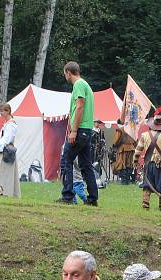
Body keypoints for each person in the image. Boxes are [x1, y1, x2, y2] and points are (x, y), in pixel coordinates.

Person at [57, 62, 98, 206]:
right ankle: (92, 199)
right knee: (86, 165)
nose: (65, 76)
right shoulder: (86, 84)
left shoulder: (79, 85)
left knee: (66, 160)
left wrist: (74, 130)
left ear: (68, 72)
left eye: (65, 73)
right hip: (87, 130)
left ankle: (67, 195)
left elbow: (80, 106)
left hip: (80, 130)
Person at [0, 103, 20, 198]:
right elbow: (1, 137)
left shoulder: (11, 124)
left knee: (6, 173)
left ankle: (6, 192)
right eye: (0, 111)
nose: (1, 113)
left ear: (8, 111)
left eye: (2, 111)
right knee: (1, 172)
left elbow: (7, 139)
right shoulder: (7, 123)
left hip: (7, 151)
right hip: (4, 150)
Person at [112, 119, 136, 184]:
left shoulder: (120, 129)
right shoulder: (131, 129)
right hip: (131, 148)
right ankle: (127, 179)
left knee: (122, 164)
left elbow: (115, 141)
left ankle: (124, 181)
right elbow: (135, 139)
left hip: (123, 149)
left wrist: (114, 146)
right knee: (129, 164)